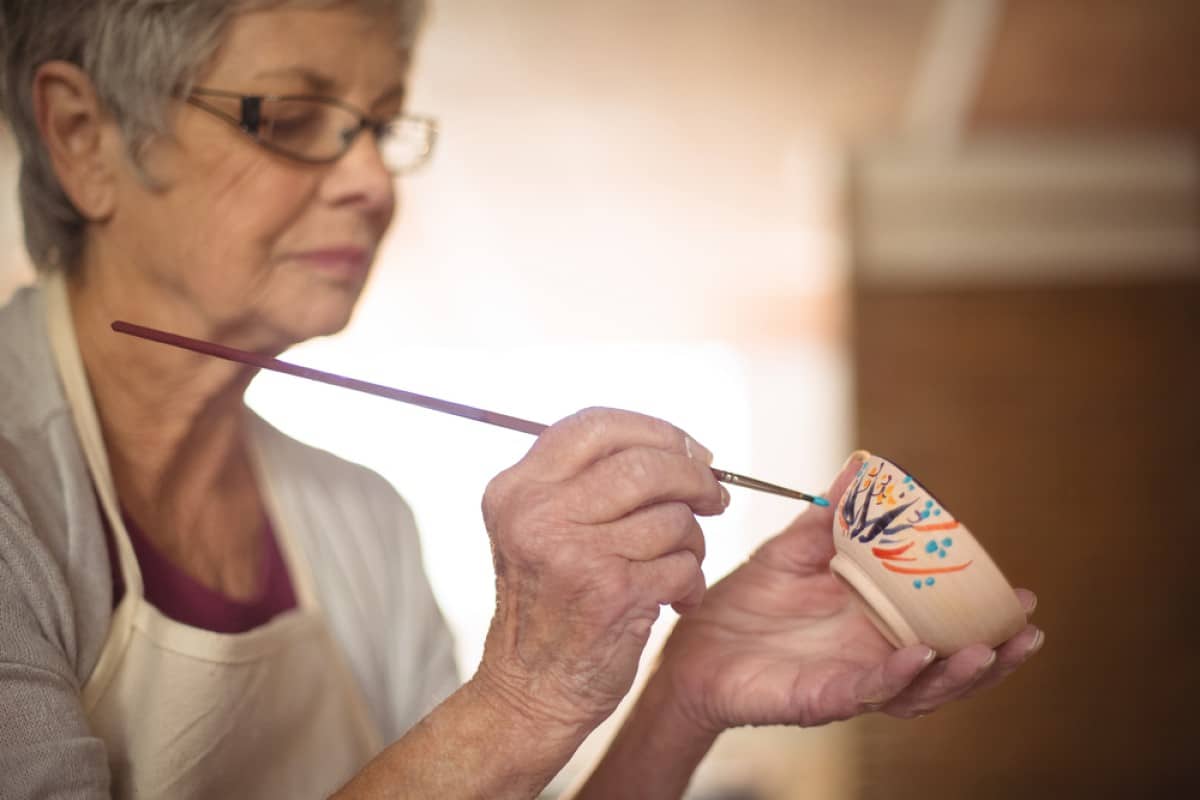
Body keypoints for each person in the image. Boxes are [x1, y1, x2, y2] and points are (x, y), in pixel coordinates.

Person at [0, 1, 1043, 798]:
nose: (372, 178)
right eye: (297, 116)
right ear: (83, 136)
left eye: (382, 122)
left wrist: (683, 691)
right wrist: (524, 695)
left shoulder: (361, 520)